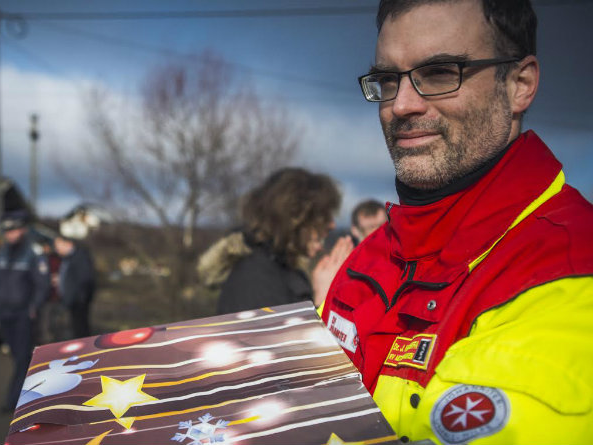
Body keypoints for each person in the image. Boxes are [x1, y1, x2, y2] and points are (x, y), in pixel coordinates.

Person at [319, 1, 593, 443]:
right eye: (388, 80)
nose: (402, 105)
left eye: (442, 73)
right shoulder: (370, 257)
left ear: (520, 84)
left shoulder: (570, 270)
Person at [200, 168, 346, 314]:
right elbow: (280, 336)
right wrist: (324, 299)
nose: (331, 225)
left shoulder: (283, 269)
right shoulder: (255, 278)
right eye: (323, 216)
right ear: (296, 218)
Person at [0, 211, 50, 413]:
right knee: (18, 358)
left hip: (24, 314)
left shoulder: (33, 252)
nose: (10, 234)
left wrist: (34, 306)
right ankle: (33, 394)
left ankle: (13, 402)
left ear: (22, 229)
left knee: (23, 358)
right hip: (5, 312)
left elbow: (43, 284)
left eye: (14, 230)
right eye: (7, 231)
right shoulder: (2, 251)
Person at [53, 234, 95, 339]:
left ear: (68, 244)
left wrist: (79, 298)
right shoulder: (68, 258)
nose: (56, 249)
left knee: (80, 331)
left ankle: (84, 353)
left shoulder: (79, 256)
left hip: (78, 302)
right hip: (71, 301)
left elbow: (85, 279)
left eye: (58, 245)